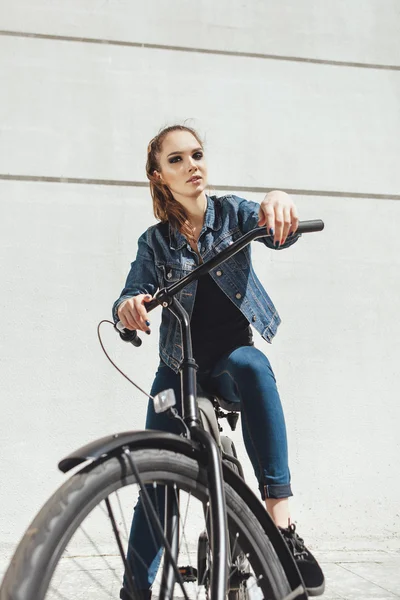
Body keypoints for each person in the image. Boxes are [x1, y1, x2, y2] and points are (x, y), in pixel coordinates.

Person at [113, 124, 325, 599]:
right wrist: (128, 309)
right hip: (178, 366)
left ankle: (282, 530)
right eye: (176, 160)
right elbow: (129, 297)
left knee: (254, 366)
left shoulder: (233, 214)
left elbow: (275, 230)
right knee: (156, 474)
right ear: (159, 175)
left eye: (197, 155)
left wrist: (277, 198)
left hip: (229, 360)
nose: (191, 165)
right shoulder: (155, 244)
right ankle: (135, 590)